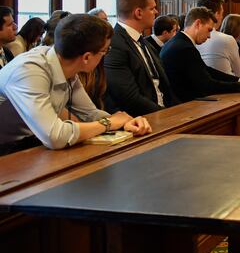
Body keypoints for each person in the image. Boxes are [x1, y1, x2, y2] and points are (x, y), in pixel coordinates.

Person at [0, 14, 151, 154]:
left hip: (26, 144)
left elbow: (89, 114)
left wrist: (126, 123)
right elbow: (55, 137)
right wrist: (109, 123)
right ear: (86, 57)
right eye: (105, 50)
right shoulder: (29, 71)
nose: (105, 55)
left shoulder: (65, 65)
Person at [160, 7, 240, 102]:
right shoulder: (185, 48)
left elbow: (206, 70)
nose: (209, 36)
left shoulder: (179, 42)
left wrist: (239, 79)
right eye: (209, 30)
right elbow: (207, 85)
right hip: (183, 105)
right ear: (198, 24)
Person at [104, 0, 176, 116]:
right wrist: (166, 115)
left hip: (161, 113)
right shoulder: (115, 45)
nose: (156, 12)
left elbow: (163, 86)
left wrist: (179, 111)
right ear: (138, 13)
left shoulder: (144, 42)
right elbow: (129, 98)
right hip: (141, 120)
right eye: (152, 8)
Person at [195, 0, 240, 77]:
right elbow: (239, 73)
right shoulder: (227, 39)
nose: (222, 17)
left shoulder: (192, 39)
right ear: (216, 14)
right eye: (222, 14)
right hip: (228, 87)